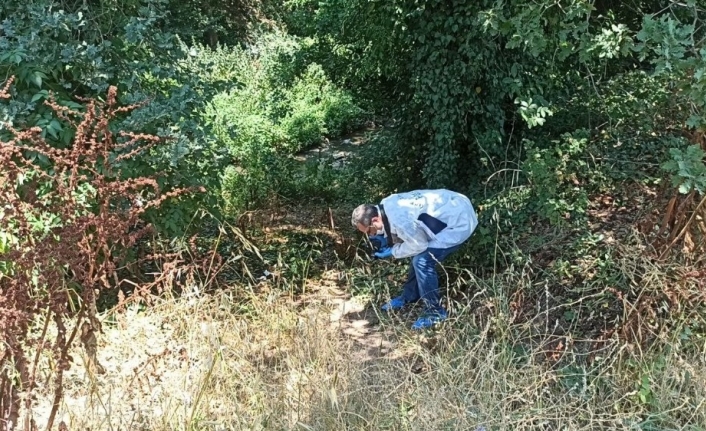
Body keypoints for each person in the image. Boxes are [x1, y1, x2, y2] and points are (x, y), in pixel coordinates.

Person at [351, 189, 478, 330]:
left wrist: (393, 251)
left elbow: (419, 244)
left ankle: (435, 312)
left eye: (370, 231)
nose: (371, 235)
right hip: (452, 204)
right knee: (419, 257)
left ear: (375, 219)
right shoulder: (384, 205)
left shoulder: (400, 220)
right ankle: (410, 296)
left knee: (422, 261)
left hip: (459, 222)